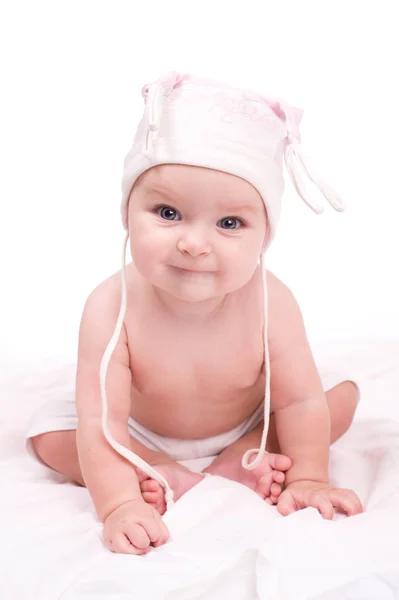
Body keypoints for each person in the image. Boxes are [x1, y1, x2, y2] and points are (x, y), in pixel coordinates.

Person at [26, 72, 363, 556]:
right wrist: (119, 503)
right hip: (137, 434)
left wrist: (309, 476)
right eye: (167, 213)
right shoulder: (109, 306)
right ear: (127, 212)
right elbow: (104, 419)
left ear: (264, 236)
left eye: (229, 223)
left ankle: (238, 456)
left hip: (250, 423)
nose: (193, 243)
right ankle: (161, 469)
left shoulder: (273, 300)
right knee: (50, 433)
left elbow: (297, 404)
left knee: (337, 397)